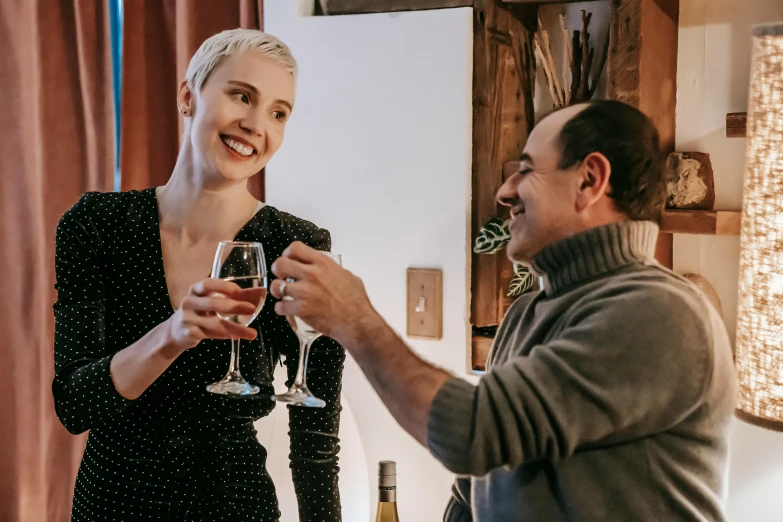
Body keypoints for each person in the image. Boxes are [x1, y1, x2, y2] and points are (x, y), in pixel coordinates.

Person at [268, 100, 737, 522]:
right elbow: (473, 489)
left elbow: (475, 433)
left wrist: (355, 318)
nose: (505, 191)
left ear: (589, 180)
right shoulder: (528, 311)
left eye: (527, 170)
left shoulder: (658, 312)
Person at [52, 29, 344, 522]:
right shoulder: (96, 225)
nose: (256, 125)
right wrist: (172, 334)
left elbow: (315, 438)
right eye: (241, 96)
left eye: (278, 112)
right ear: (188, 96)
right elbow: (77, 407)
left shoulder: (296, 244)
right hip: (112, 503)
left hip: (234, 506)